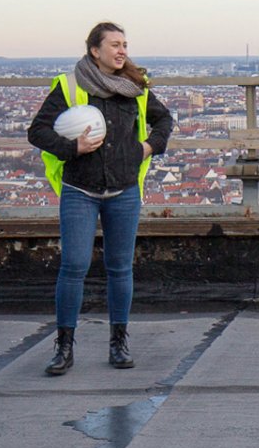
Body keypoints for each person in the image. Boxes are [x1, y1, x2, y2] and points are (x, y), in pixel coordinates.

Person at [26, 21, 174, 375]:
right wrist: (71, 147)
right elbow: (37, 131)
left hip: (123, 189)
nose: (122, 50)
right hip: (80, 189)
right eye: (115, 45)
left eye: (125, 45)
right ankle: (64, 347)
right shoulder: (71, 86)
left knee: (120, 268)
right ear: (95, 50)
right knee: (74, 266)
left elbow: (164, 119)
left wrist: (149, 147)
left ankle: (118, 343)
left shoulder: (135, 86)